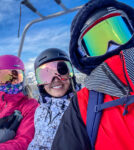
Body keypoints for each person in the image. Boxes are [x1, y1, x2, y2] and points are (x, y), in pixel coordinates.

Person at [51, 0, 134, 150]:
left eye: (119, 31)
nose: (112, 45)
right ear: (84, 54)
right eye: (97, 42)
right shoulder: (84, 103)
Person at [28, 48, 81, 150]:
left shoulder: (81, 106)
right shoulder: (40, 110)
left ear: (71, 75)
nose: (56, 79)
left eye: (61, 71)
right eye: (46, 75)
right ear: (41, 84)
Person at [0, 55, 38, 150]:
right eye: (2, 79)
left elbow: (25, 141)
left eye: (14, 78)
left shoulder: (30, 105)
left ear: (22, 79)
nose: (8, 83)